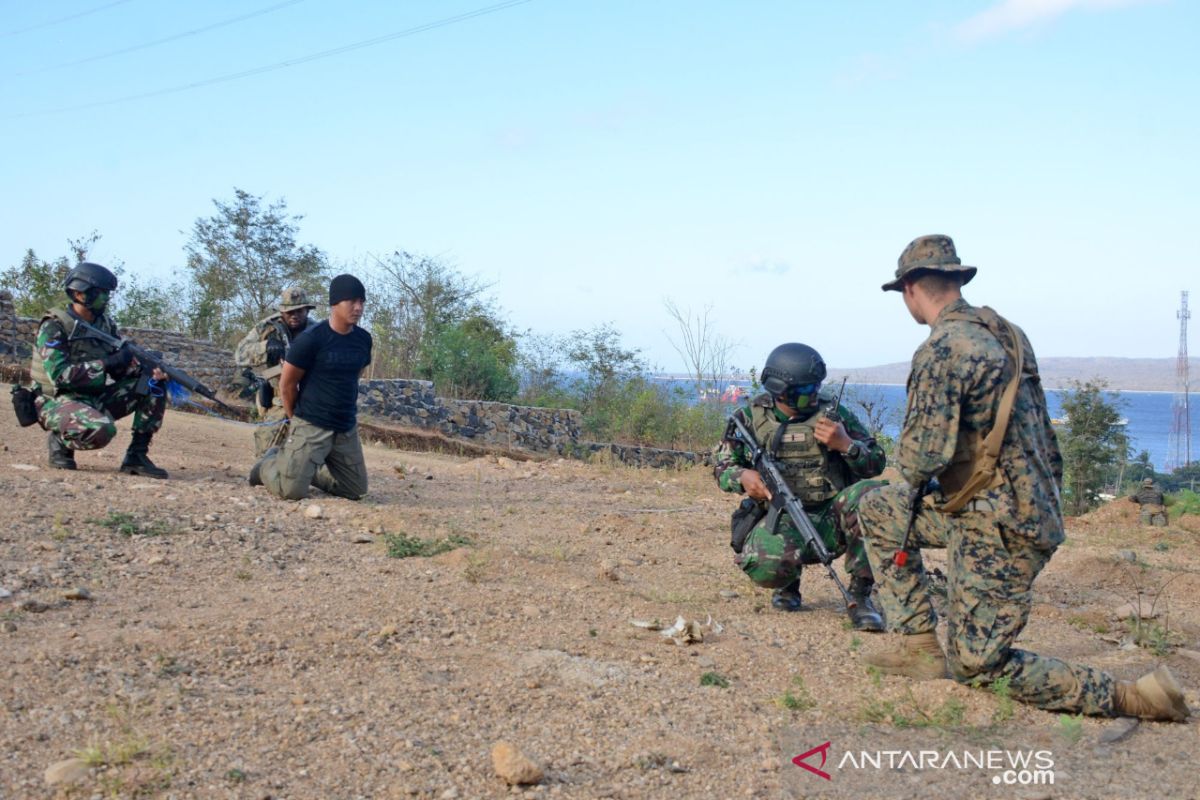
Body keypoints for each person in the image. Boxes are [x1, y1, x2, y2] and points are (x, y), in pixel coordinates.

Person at [857, 234, 1189, 721]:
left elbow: (921, 457)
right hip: (1017, 507)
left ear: (910, 288)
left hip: (1001, 524)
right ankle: (918, 646)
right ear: (955, 279)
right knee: (880, 509)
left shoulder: (943, 348)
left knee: (978, 666)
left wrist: (884, 472)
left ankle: (1133, 697)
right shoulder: (1007, 332)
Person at [712, 342, 887, 631]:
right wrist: (742, 476)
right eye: (806, 391)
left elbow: (876, 462)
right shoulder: (749, 419)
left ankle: (861, 595)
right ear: (781, 391)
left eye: (816, 387)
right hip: (780, 520)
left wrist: (847, 446)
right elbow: (721, 466)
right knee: (767, 567)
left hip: (833, 518)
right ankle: (787, 584)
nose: (814, 395)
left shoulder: (834, 414)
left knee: (872, 495)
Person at [30, 262, 170, 478]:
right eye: (99, 293)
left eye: (107, 294)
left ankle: (136, 456)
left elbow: (121, 371)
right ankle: (60, 439)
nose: (105, 299)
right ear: (78, 293)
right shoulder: (54, 326)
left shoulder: (105, 325)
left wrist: (144, 370)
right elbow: (59, 376)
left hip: (92, 397)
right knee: (102, 431)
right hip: (55, 401)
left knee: (152, 385)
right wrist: (108, 364)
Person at [249, 274, 372, 501]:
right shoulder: (311, 340)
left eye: (362, 302)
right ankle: (268, 464)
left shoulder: (364, 340)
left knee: (356, 490)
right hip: (312, 423)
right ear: (334, 303)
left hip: (345, 427)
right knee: (291, 492)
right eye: (352, 301)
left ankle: (307, 471)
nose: (358, 308)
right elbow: (287, 385)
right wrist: (295, 418)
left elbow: (354, 376)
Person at [234, 287, 319, 456]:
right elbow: (240, 354)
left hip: (310, 398)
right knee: (265, 455)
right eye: (289, 312)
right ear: (281, 312)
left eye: (299, 311)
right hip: (278, 398)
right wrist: (265, 347)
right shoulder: (268, 328)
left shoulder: (318, 331)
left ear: (307, 310)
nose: (294, 315)